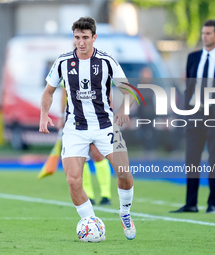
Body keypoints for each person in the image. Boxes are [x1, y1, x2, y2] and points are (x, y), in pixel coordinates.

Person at [39, 17, 136, 239]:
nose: (80, 42)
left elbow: (129, 90)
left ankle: (125, 213)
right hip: (75, 128)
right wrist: (44, 115)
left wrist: (124, 110)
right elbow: (48, 92)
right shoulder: (63, 62)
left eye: (85, 38)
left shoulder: (107, 61)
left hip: (105, 125)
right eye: (76, 38)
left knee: (125, 174)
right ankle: (92, 222)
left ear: (94, 37)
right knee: (73, 180)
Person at [170, 20, 215, 214]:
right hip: (195, 113)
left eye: (209, 33)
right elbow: (189, 88)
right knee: (191, 159)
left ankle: (212, 204)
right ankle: (191, 204)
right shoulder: (193, 57)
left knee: (214, 160)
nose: (205, 36)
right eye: (203, 33)